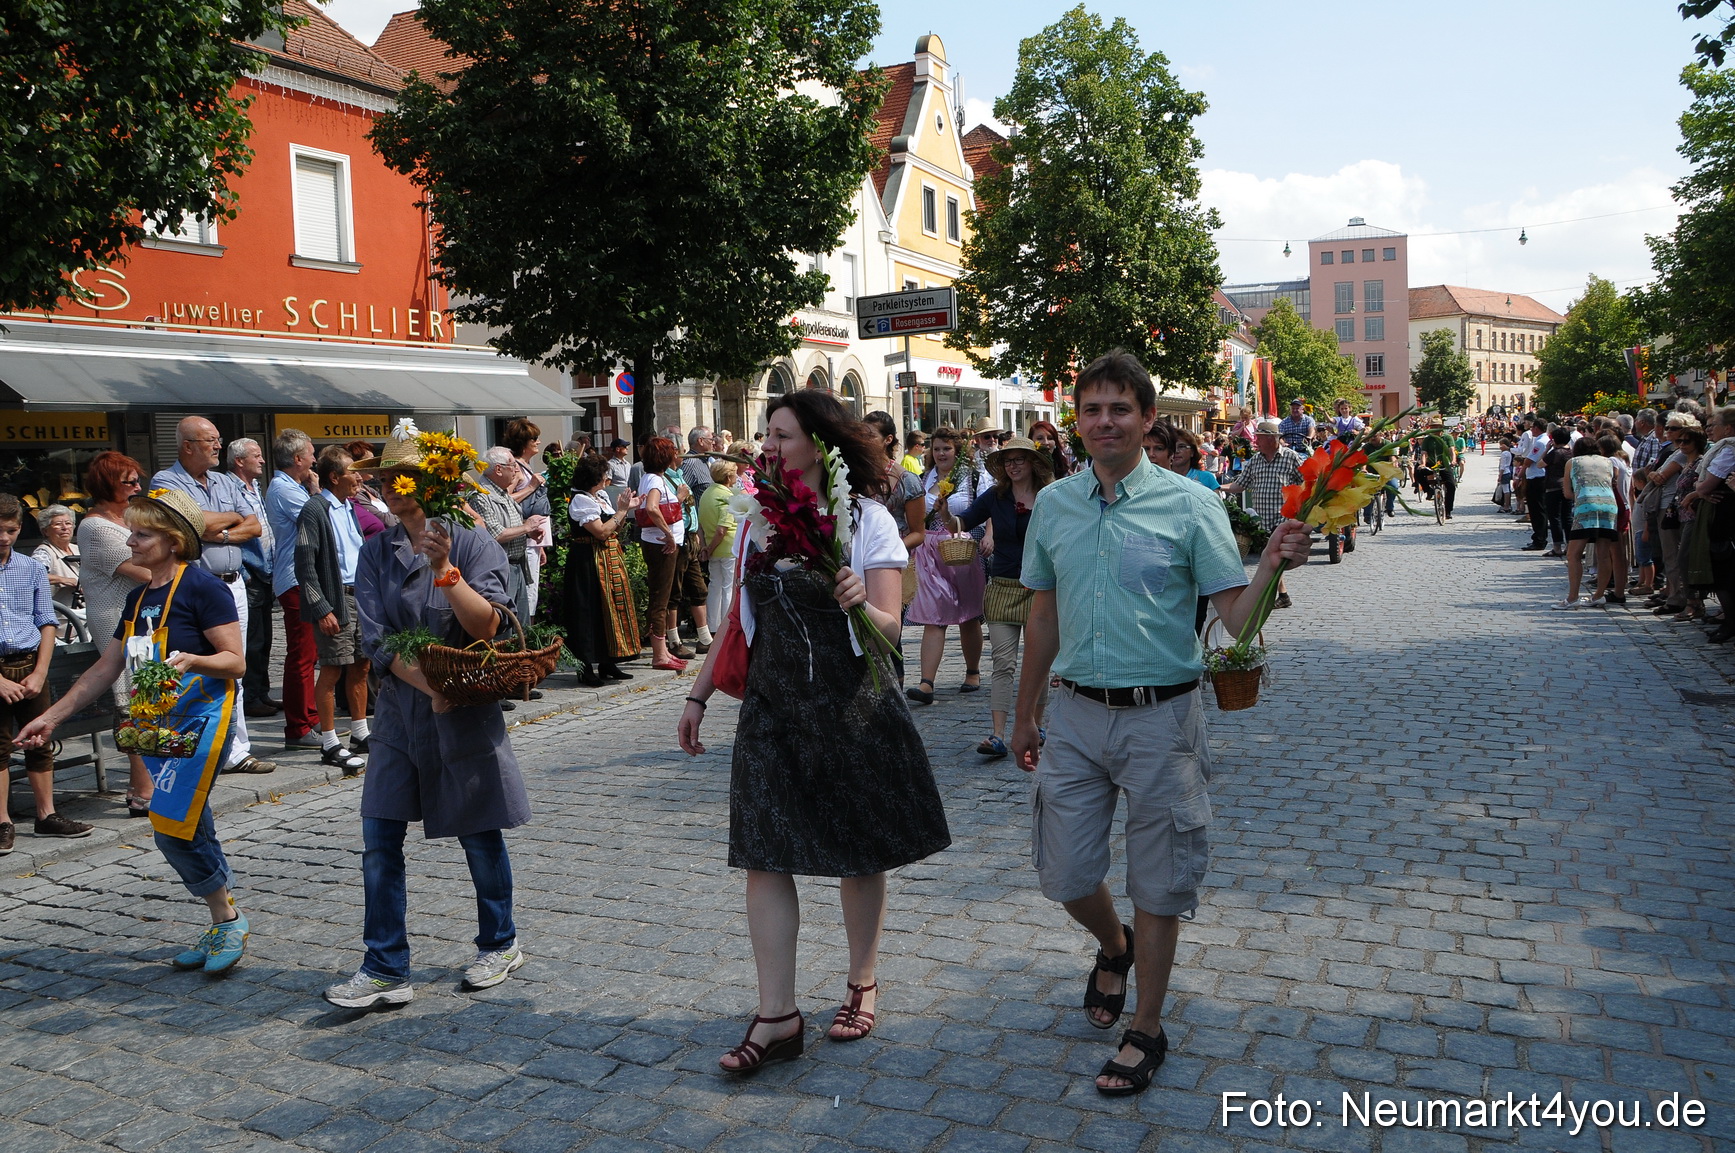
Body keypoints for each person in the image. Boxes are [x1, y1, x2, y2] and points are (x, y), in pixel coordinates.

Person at [1010, 350, 1313, 1098]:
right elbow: (1040, 614)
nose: (1104, 420)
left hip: (1162, 717)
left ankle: (1145, 1024)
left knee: (1160, 879)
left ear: (1149, 420)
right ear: (1074, 421)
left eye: (1120, 408)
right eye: (1091, 409)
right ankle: (1111, 946)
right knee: (1065, 872)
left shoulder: (1189, 504)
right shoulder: (1054, 505)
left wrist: (1276, 564)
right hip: (1075, 714)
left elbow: (1234, 618)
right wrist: (1023, 708)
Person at [677, 389, 950, 1073]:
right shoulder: (752, 520)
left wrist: (859, 595)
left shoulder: (868, 521)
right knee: (763, 850)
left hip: (851, 701)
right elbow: (739, 618)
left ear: (819, 444)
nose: (766, 446)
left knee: (859, 848)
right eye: (765, 434)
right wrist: (697, 695)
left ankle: (862, 979)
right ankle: (778, 1014)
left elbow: (891, 631)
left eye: (780, 434)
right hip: (772, 706)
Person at [326, 428, 532, 1008]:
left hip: (464, 711)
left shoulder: (472, 544)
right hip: (401, 713)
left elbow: (487, 627)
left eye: (401, 478)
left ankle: (501, 942)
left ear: (433, 483)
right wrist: (429, 687)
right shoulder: (377, 549)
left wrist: (447, 569)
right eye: (385, 479)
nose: (391, 488)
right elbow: (377, 638)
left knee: (477, 829)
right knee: (379, 835)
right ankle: (386, 966)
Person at [21, 488, 248, 969]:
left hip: (205, 720)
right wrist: (51, 717)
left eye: (141, 534)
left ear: (171, 540)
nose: (131, 543)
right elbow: (106, 668)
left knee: (170, 826)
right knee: (189, 822)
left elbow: (236, 661)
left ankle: (226, 919)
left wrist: (195, 660)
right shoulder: (140, 595)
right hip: (160, 725)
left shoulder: (205, 588)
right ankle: (222, 918)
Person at [151, 417, 274, 775]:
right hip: (196, 587)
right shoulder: (166, 480)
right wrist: (226, 521)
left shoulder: (224, 480)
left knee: (235, 664)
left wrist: (217, 531)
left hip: (234, 583)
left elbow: (252, 525)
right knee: (200, 663)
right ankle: (204, 745)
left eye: (219, 439)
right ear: (187, 445)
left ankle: (237, 749)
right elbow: (190, 525)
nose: (218, 446)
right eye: (210, 440)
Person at [0, 494, 92, 853]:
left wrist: (40, 671)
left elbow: (46, 622)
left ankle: (46, 815)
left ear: (19, 528)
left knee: (39, 741)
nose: (4, 538)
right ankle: (4, 821)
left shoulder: (31, 568)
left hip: (30, 664)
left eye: (10, 530)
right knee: (1, 748)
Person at [957, 437, 1051, 759]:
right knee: (1003, 662)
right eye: (1008, 460)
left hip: (1039, 589)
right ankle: (997, 735)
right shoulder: (996, 496)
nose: (1013, 465)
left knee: (1038, 664)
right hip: (1001, 586)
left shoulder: (1048, 496)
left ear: (1031, 463)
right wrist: (942, 509)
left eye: (1018, 460)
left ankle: (1035, 727)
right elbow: (964, 521)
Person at [75, 452, 154, 816]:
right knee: (131, 703)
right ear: (108, 484)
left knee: (151, 698)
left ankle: (149, 780)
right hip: (115, 623)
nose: (138, 486)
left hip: (142, 620)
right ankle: (141, 789)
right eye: (129, 481)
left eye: (137, 479)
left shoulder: (129, 518)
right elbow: (147, 571)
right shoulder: (95, 527)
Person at [295, 447, 370, 774]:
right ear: (335, 477)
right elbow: (304, 563)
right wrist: (321, 607)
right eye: (353, 471)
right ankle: (329, 742)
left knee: (361, 666)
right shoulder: (314, 509)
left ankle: (360, 733)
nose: (359, 477)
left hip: (361, 596)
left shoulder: (349, 507)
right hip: (335, 598)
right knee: (333, 668)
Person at [905, 426, 987, 703]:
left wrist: (989, 534)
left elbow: (988, 510)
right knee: (933, 614)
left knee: (968, 614)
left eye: (946, 448)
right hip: (929, 552)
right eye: (937, 448)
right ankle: (926, 682)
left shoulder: (973, 477)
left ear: (957, 451)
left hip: (961, 547)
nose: (941, 453)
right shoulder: (923, 478)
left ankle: (973, 671)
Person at [563, 454, 642, 686]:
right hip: (587, 561)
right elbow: (601, 531)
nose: (607, 479)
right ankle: (584, 666)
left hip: (607, 560)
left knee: (610, 609)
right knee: (587, 611)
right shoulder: (581, 500)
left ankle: (608, 661)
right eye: (604, 475)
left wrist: (624, 511)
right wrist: (621, 511)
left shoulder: (600, 496)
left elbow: (615, 527)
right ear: (594, 478)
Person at [267, 430, 321, 746]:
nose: (315, 459)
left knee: (309, 654)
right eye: (311, 453)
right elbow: (319, 519)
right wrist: (316, 491)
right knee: (301, 655)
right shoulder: (284, 489)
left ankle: (310, 719)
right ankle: (298, 727)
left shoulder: (290, 487)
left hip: (304, 578)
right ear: (298, 458)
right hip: (295, 579)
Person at [1222, 419, 1303, 608]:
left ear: (1273, 439)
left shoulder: (1290, 457)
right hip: (1262, 520)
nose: (1255, 441)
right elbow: (1239, 485)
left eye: (1259, 437)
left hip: (1283, 518)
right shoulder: (1255, 461)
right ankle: (1283, 595)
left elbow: (1306, 481)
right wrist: (1217, 486)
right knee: (1271, 559)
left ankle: (1267, 596)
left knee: (1272, 558)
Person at [225, 438, 279, 718]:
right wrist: (247, 573)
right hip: (249, 573)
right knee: (253, 639)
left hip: (266, 571)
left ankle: (261, 691)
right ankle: (250, 697)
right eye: (256, 456)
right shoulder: (229, 488)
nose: (262, 460)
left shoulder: (255, 487)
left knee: (265, 638)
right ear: (239, 461)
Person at [471, 448, 544, 629]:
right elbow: (495, 534)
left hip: (517, 565)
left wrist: (528, 531)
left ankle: (521, 658)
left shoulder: (502, 493)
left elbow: (510, 524)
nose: (516, 470)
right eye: (513, 466)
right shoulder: (482, 497)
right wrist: (526, 527)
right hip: (500, 570)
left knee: (522, 626)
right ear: (498, 469)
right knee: (505, 626)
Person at [636, 436, 691, 671]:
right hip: (661, 545)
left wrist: (677, 500)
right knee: (661, 598)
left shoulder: (654, 478)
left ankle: (664, 649)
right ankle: (659, 654)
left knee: (664, 596)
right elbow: (651, 508)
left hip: (662, 543)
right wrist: (668, 534)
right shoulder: (654, 481)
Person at [1555, 436, 1619, 609]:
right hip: (1609, 506)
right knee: (1604, 553)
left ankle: (1573, 597)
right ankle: (1599, 595)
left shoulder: (1573, 462)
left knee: (1574, 554)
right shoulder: (1608, 462)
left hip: (1586, 505)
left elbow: (1568, 494)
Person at [500, 420, 551, 619]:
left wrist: (542, 547)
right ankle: (524, 638)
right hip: (523, 539)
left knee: (533, 591)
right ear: (524, 442)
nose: (539, 442)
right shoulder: (516, 470)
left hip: (534, 541)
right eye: (534, 438)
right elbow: (502, 500)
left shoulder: (526, 466)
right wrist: (531, 486)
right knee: (528, 593)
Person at [698, 458, 739, 650]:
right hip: (727, 547)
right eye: (735, 473)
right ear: (729, 476)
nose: (737, 476)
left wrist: (705, 547)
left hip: (711, 546)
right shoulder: (727, 496)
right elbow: (722, 529)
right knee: (728, 587)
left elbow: (700, 524)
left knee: (715, 586)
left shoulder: (707, 493)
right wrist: (711, 547)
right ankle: (725, 628)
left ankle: (712, 626)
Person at [31, 505, 81, 628]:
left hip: (88, 616)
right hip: (64, 622)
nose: (65, 528)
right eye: (58, 524)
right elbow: (34, 576)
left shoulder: (78, 549)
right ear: (45, 530)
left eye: (68, 523)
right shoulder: (43, 552)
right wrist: (65, 580)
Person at [1416, 421, 1459, 520]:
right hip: (1431, 463)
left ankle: (1448, 510)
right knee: (1418, 471)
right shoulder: (1427, 440)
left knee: (1451, 485)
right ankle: (1428, 490)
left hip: (1444, 463)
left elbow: (1451, 450)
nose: (1434, 429)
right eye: (1432, 427)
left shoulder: (1447, 438)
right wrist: (1423, 464)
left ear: (1441, 428)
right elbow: (1423, 453)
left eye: (1436, 427)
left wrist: (1453, 460)